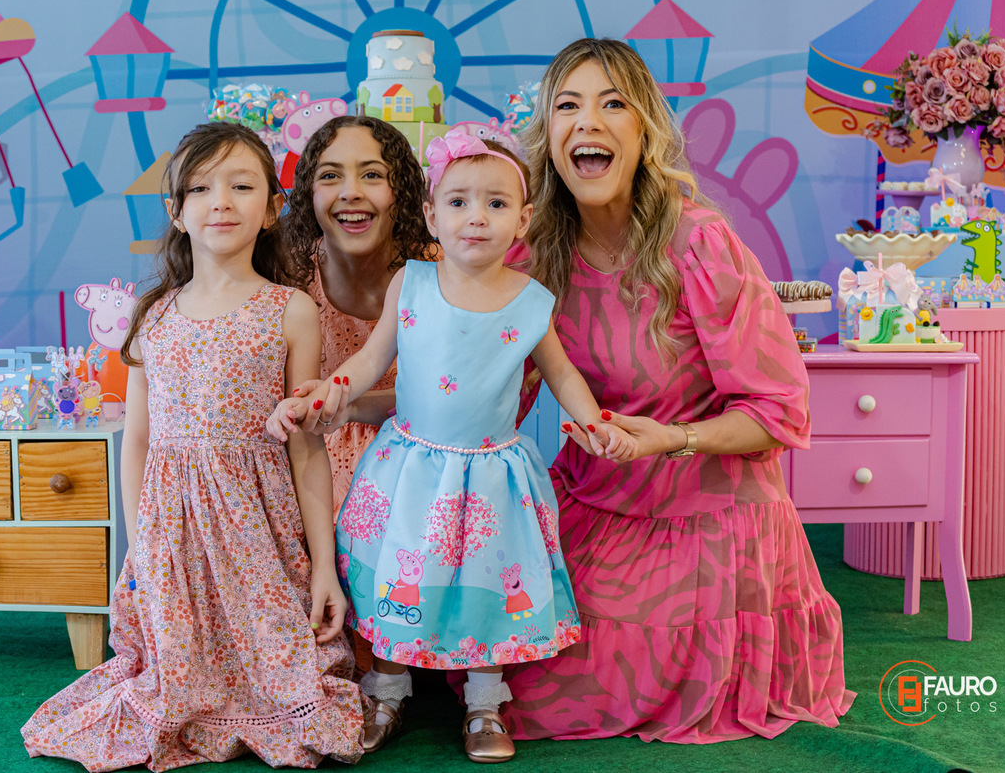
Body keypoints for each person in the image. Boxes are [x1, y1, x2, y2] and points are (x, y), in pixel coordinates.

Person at [499, 37, 855, 743]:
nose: (588, 121)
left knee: (592, 683)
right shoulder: (532, 252)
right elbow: (493, 390)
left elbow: (778, 410)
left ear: (644, 132)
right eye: (567, 105)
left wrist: (675, 438)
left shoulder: (698, 242)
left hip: (710, 504)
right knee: (511, 671)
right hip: (598, 497)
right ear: (548, 133)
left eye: (612, 104)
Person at [267, 130, 637, 763]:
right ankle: (387, 690)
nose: (477, 217)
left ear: (522, 220)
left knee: (488, 583)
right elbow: (370, 359)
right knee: (400, 577)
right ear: (432, 215)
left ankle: (484, 702)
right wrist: (331, 391)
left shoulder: (531, 302)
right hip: (410, 469)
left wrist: (595, 423)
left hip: (493, 478)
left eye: (496, 204)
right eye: (459, 202)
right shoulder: (410, 283)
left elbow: (562, 374)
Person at [20, 121, 364, 770]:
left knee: (292, 685)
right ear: (177, 212)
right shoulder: (154, 316)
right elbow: (139, 441)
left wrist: (323, 565)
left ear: (273, 208)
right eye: (201, 188)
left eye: (241, 186)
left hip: (257, 533)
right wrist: (141, 548)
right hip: (172, 533)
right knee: (173, 668)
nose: (221, 202)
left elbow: (307, 448)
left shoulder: (290, 309)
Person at [284, 115, 436, 520]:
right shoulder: (287, 278)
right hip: (313, 481)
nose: (351, 192)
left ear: (401, 191)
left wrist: (350, 406)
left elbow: (457, 396)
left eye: (372, 175)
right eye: (330, 176)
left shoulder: (441, 274)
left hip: (426, 475)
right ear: (308, 194)